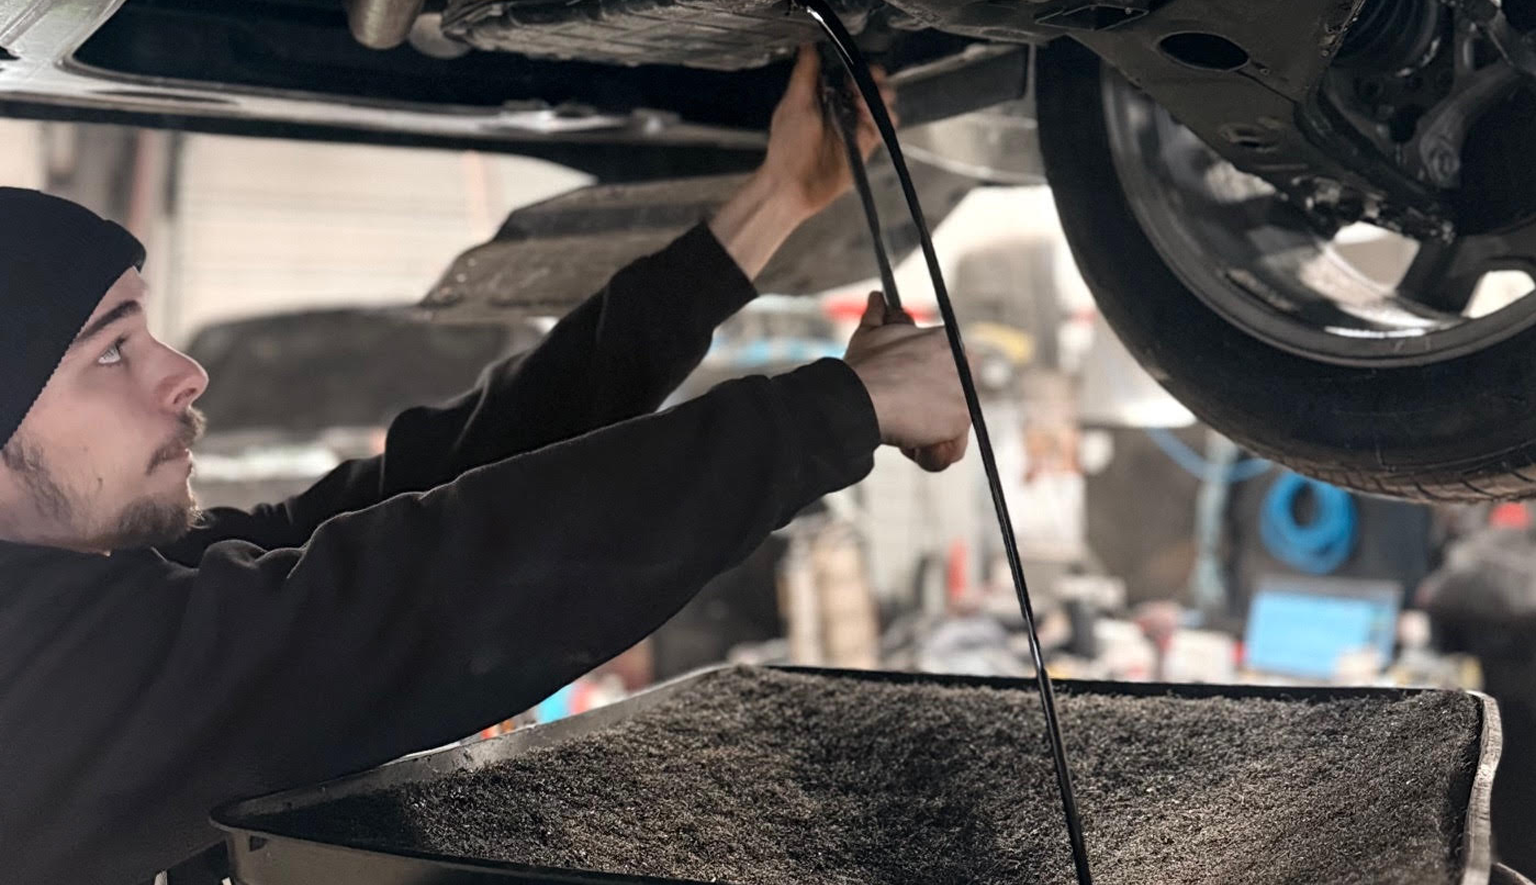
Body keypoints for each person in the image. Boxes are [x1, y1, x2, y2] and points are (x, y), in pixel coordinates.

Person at [0, 47, 970, 884]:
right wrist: (840, 412)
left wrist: (770, 205)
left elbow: (423, 493)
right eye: (112, 350)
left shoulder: (87, 589)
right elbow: (417, 599)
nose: (184, 372)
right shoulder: (28, 683)